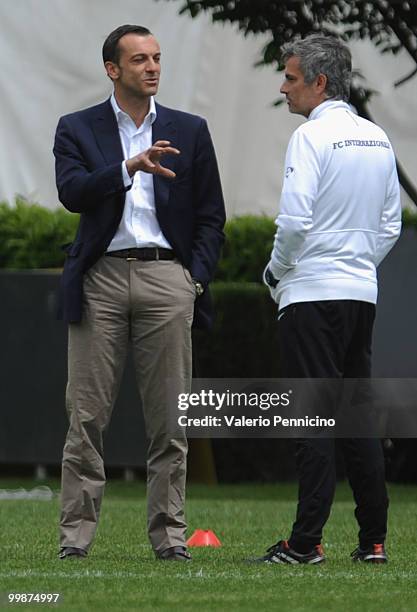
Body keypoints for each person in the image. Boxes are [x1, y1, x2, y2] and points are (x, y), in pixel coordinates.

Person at [53, 24, 225, 561]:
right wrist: (127, 167)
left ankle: (171, 538)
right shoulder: (77, 127)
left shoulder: (190, 129)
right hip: (100, 278)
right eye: (139, 60)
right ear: (113, 69)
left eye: (156, 58)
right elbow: (71, 193)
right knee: (85, 417)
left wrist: (192, 278)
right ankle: (75, 540)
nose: (151, 67)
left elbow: (211, 217)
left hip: (167, 278)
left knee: (171, 419)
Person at [257, 35, 401, 564]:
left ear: (319, 83)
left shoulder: (311, 138)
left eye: (291, 77)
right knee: (355, 416)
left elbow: (294, 222)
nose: (283, 86)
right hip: (361, 292)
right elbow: (390, 224)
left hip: (310, 292)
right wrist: (358, 263)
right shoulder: (377, 138)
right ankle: (373, 542)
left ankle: (305, 543)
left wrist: (275, 272)